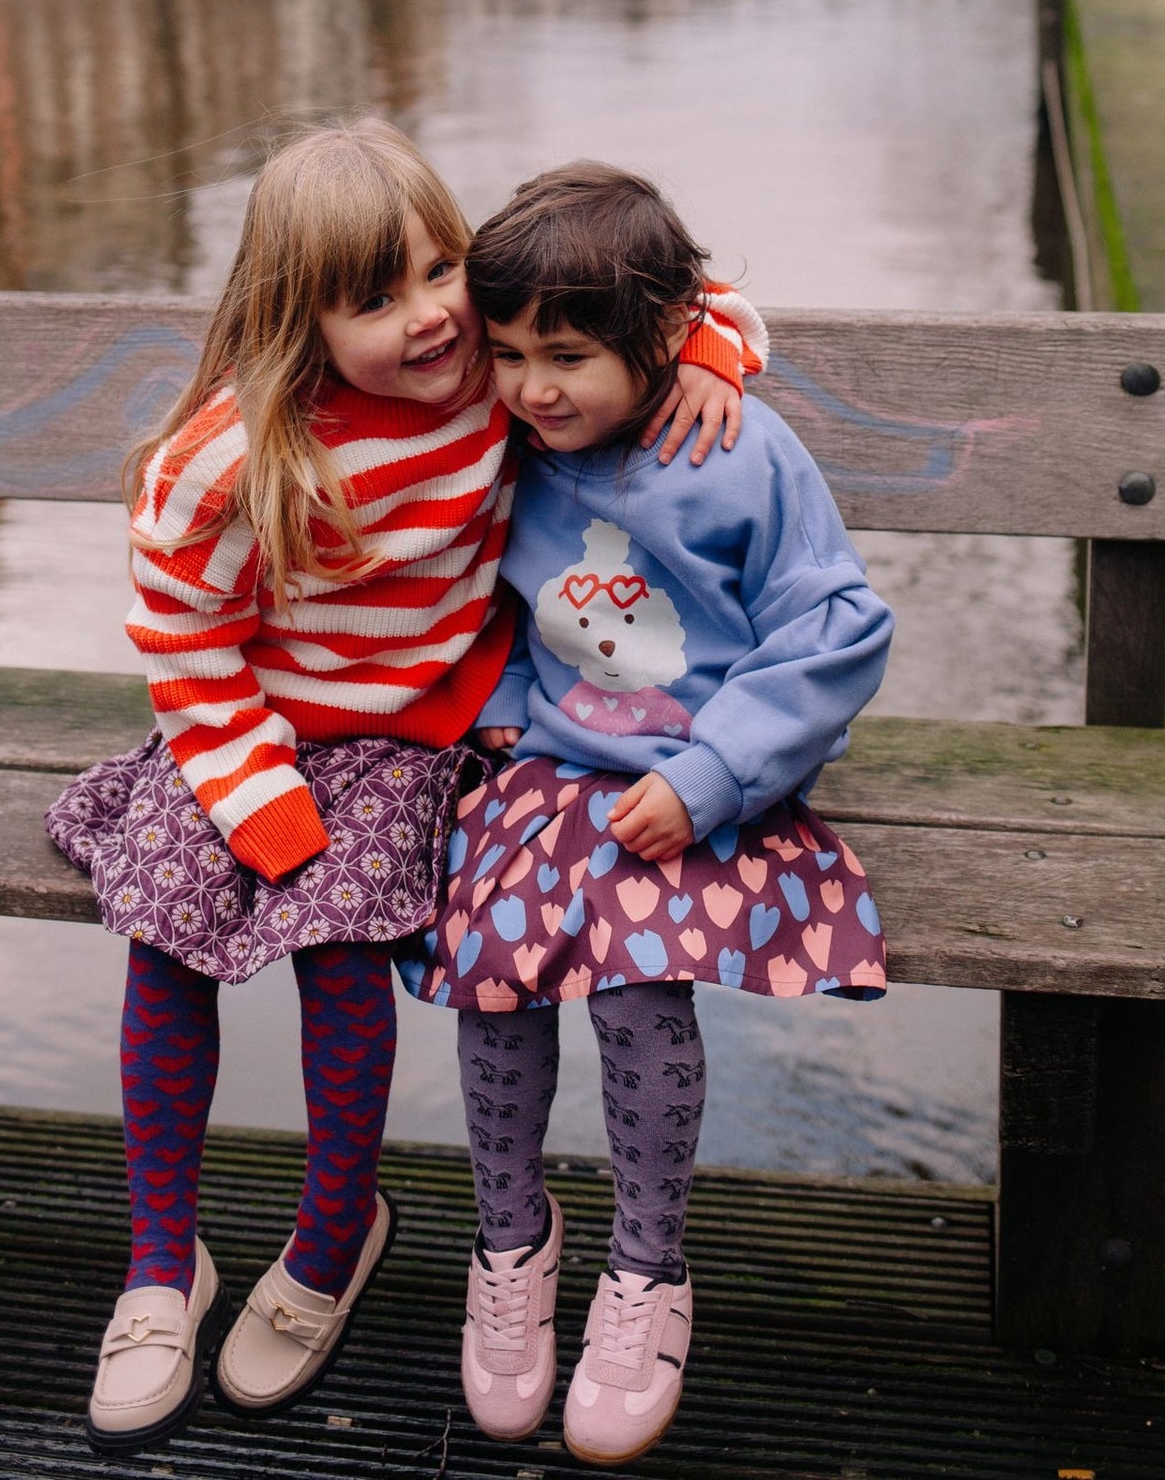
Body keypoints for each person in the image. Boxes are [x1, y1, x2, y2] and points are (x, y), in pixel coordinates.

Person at [43, 121, 761, 1455]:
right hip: (249, 727)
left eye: (441, 270)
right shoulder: (233, 450)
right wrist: (254, 794)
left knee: (339, 935)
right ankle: (160, 1259)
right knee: (166, 930)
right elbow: (183, 638)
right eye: (377, 298)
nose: (434, 316)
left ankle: (332, 1231)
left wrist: (713, 353)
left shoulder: (504, 374)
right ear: (296, 315)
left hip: (416, 736)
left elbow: (682, 295)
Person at [400, 162, 893, 1468]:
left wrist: (715, 774)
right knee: (488, 969)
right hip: (550, 770)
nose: (530, 385)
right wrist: (502, 704)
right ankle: (511, 1238)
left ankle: (645, 1268)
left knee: (632, 986)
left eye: (566, 354)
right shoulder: (513, 443)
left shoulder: (736, 454)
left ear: (665, 337)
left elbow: (835, 632)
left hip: (704, 779)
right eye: (507, 353)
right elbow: (499, 608)